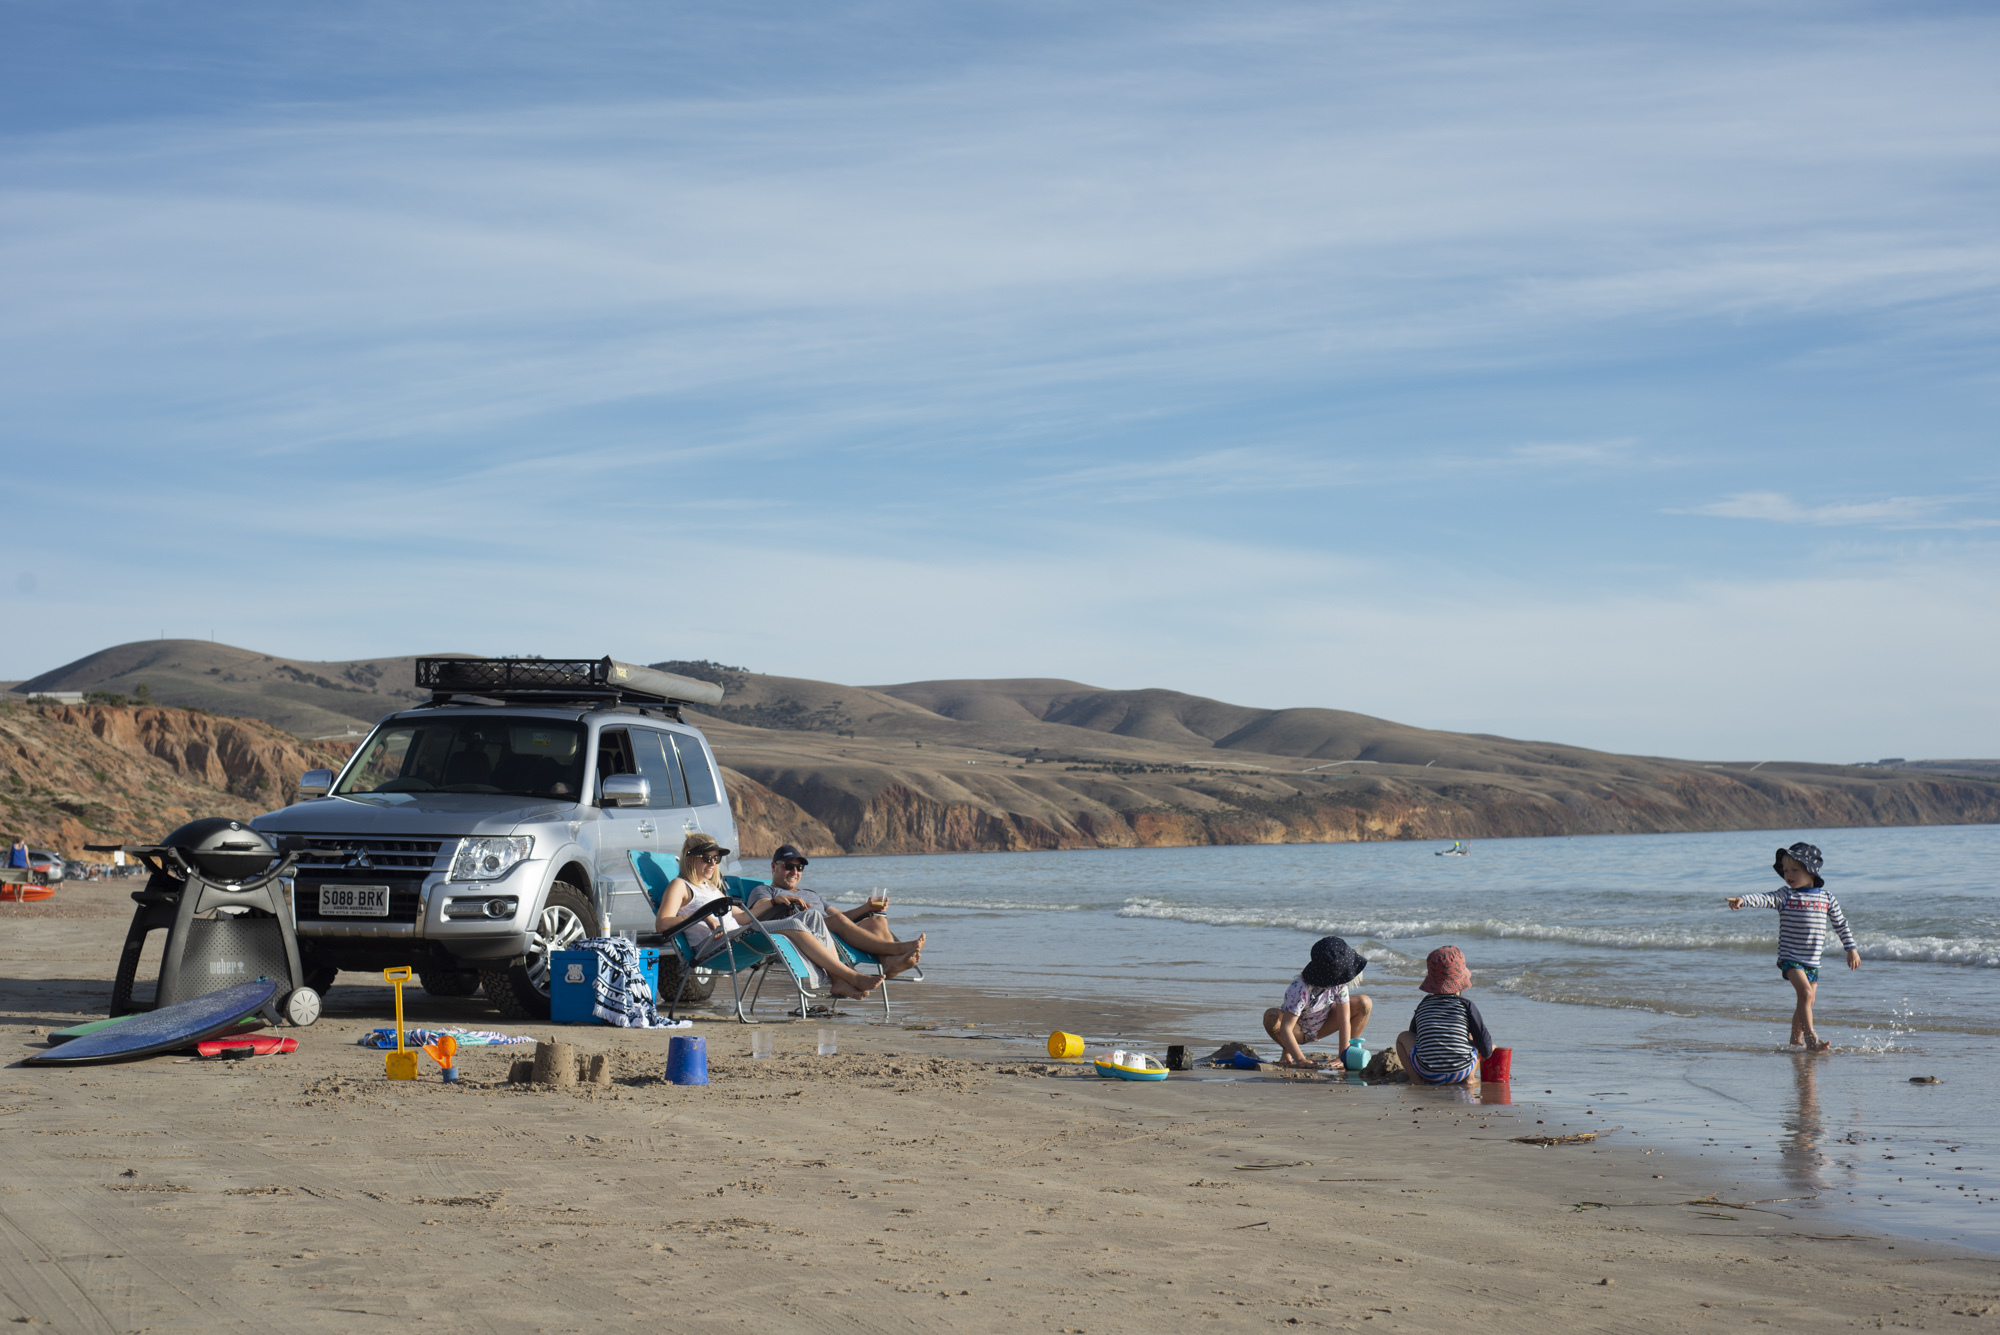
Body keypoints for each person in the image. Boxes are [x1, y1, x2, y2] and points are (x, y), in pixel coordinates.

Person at [652, 833, 881, 999]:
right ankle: (847, 975)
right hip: (717, 944)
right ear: (690, 858)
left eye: (716, 859)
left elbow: (742, 918)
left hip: (738, 934)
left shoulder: (711, 888)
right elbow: (663, 923)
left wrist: (773, 902)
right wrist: (703, 918)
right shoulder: (680, 886)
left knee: (812, 917)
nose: (713, 864)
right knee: (793, 924)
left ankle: (838, 980)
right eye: (707, 858)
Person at [1727, 841, 1859, 1053]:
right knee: (1805, 994)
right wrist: (1743, 899)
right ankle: (1811, 1038)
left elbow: (1840, 924)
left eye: (1795, 870)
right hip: (1790, 957)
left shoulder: (1827, 898)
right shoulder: (1786, 895)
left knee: (1807, 999)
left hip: (1812, 960)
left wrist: (1850, 948)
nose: (1788, 874)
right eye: (1786, 870)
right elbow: (1764, 898)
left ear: (1811, 871)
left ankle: (1794, 1040)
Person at [745, 845, 924, 978]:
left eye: (799, 868)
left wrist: (867, 908)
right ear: (773, 867)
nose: (794, 871)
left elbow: (841, 917)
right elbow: (757, 911)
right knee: (836, 920)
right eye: (788, 866)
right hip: (808, 935)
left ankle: (889, 964)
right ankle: (896, 949)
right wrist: (775, 901)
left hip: (835, 935)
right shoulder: (765, 891)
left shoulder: (811, 894)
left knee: (876, 919)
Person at [1262, 935, 1372, 1068]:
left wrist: (1342, 1057)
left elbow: (1344, 1021)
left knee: (1364, 1003)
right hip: (1299, 1031)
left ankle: (1350, 1052)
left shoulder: (1338, 984)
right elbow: (1286, 1028)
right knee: (1271, 1017)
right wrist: (1301, 1060)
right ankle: (1288, 1049)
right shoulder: (1301, 989)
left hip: (1324, 1024)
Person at [1393, 946, 1493, 1085]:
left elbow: (1415, 1035)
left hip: (1427, 1072)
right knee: (1480, 1042)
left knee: (1402, 1037)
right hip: (1461, 1072)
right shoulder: (1466, 1005)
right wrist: (1484, 1049)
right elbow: (1486, 1047)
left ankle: (1415, 1080)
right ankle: (1470, 1078)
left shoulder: (1424, 1004)